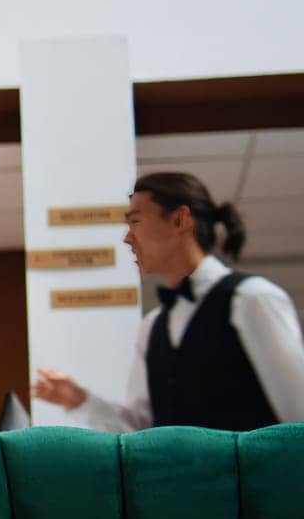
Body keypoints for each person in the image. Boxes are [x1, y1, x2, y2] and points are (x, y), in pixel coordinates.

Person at [33, 172, 304, 432]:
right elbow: (144, 434)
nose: (127, 238)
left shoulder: (252, 298)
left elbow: (298, 415)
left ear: (179, 220)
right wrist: (79, 401)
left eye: (135, 221)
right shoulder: (152, 327)